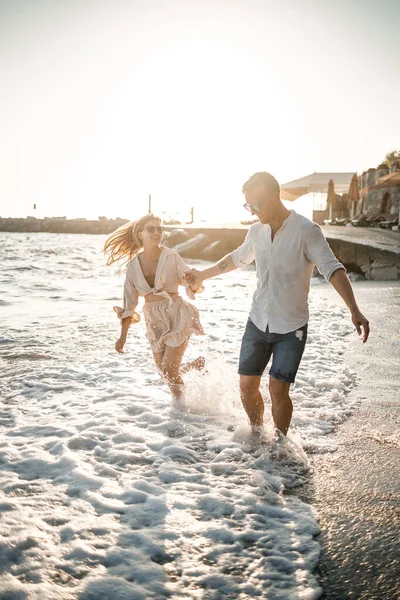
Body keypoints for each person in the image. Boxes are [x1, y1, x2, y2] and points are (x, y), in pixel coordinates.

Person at [185, 172, 370, 436]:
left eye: (257, 204)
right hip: (257, 321)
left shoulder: (306, 230)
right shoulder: (256, 231)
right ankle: (258, 436)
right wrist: (202, 274)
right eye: (249, 206)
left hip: (291, 328)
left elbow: (332, 268)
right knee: (247, 387)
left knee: (278, 390)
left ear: (275, 196)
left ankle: (281, 446)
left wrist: (354, 309)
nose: (253, 211)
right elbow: (237, 259)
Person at [104, 214, 205, 399]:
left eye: (159, 229)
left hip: (176, 314)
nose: (156, 232)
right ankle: (194, 366)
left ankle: (181, 408)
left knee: (169, 371)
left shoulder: (171, 256)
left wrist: (192, 280)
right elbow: (129, 303)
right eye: (151, 229)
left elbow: (188, 279)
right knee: (164, 373)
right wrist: (122, 337)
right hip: (154, 319)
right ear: (140, 233)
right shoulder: (133, 266)